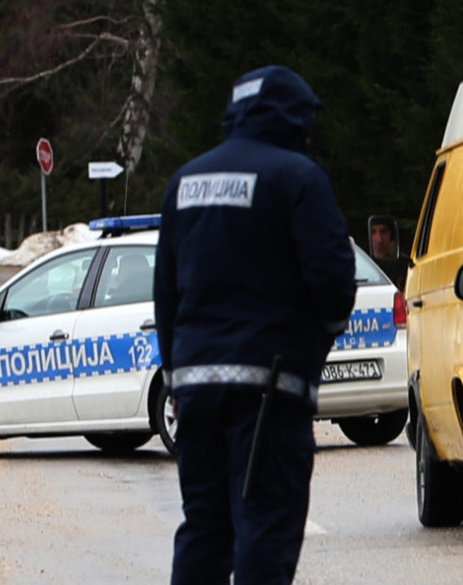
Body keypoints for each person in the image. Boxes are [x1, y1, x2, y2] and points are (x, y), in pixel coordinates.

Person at [153, 65, 356, 584]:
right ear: (296, 118)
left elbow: (167, 293)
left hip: (195, 391)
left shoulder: (186, 182)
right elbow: (334, 285)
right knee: (264, 528)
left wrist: (176, 376)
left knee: (204, 528)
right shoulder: (298, 177)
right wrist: (315, 344)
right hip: (269, 390)